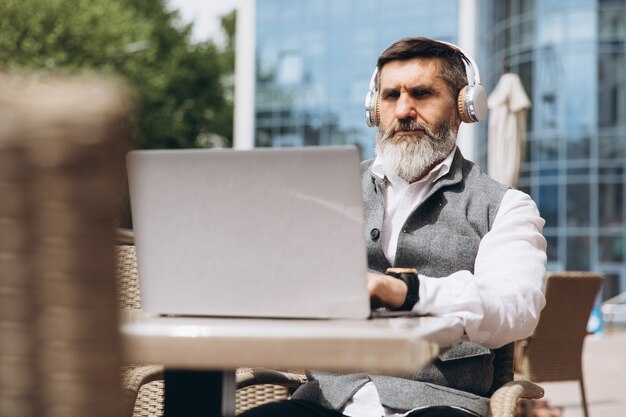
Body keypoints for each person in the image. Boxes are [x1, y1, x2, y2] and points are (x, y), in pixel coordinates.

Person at [239, 37, 547, 417]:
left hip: (440, 404)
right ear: (374, 109)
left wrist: (409, 291)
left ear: (463, 109)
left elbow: (515, 307)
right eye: (390, 96)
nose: (403, 110)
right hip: (326, 401)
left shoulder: (505, 206)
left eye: (421, 94)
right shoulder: (326, 193)